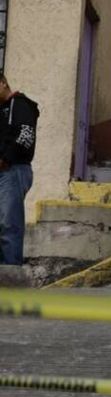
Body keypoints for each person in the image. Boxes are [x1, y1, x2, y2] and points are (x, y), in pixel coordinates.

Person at [0, 75, 38, 265]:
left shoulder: (20, 104)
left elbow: (25, 136)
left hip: (12, 170)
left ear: (3, 83)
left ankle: (10, 272)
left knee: (9, 222)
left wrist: (5, 159)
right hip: (6, 170)